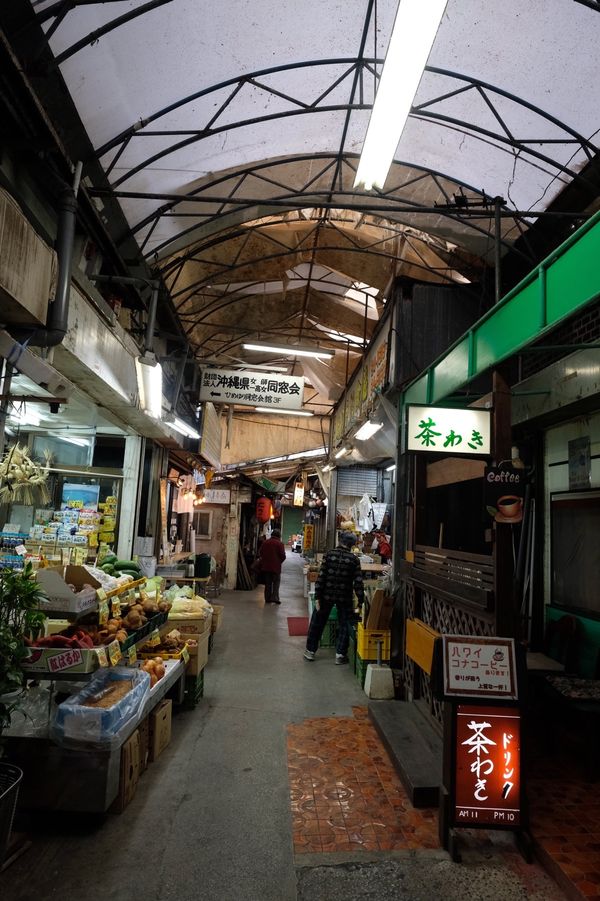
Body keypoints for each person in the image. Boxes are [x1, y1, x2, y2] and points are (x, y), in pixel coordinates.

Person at [304, 531, 365, 664]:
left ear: (340, 541)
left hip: (326, 595)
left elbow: (322, 576)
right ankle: (340, 655)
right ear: (352, 544)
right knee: (345, 624)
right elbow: (358, 582)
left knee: (317, 622)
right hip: (345, 596)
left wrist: (318, 596)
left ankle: (310, 651)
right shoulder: (354, 559)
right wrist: (361, 600)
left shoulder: (329, 555)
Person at [258, 528, 286, 604]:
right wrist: (278, 562)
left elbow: (260, 553)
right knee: (276, 583)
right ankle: (275, 598)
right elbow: (283, 556)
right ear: (279, 536)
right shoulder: (280, 544)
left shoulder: (265, 542)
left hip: (266, 567)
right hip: (276, 568)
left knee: (268, 583)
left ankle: (267, 598)